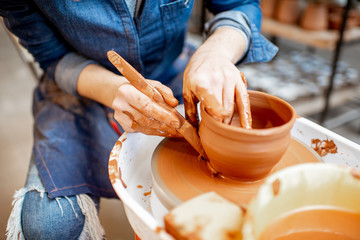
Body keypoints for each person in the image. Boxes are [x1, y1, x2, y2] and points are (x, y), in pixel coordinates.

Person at [1, 0, 277, 239]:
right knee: (49, 227)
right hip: (83, 85)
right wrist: (111, 89)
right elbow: (52, 57)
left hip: (174, 73)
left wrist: (216, 53)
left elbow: (238, 5)